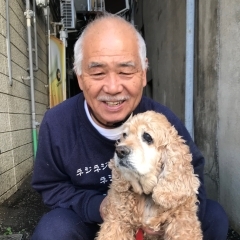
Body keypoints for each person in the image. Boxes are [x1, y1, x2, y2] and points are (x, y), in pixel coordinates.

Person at [31, 13, 228, 240]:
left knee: (214, 216)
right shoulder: (57, 123)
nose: (113, 87)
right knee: (54, 229)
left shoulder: (162, 120)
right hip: (88, 219)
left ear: (143, 74)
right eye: (97, 72)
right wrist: (98, 206)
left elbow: (192, 175)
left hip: (158, 220)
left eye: (125, 71)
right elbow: (51, 187)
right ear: (80, 77)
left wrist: (163, 217)